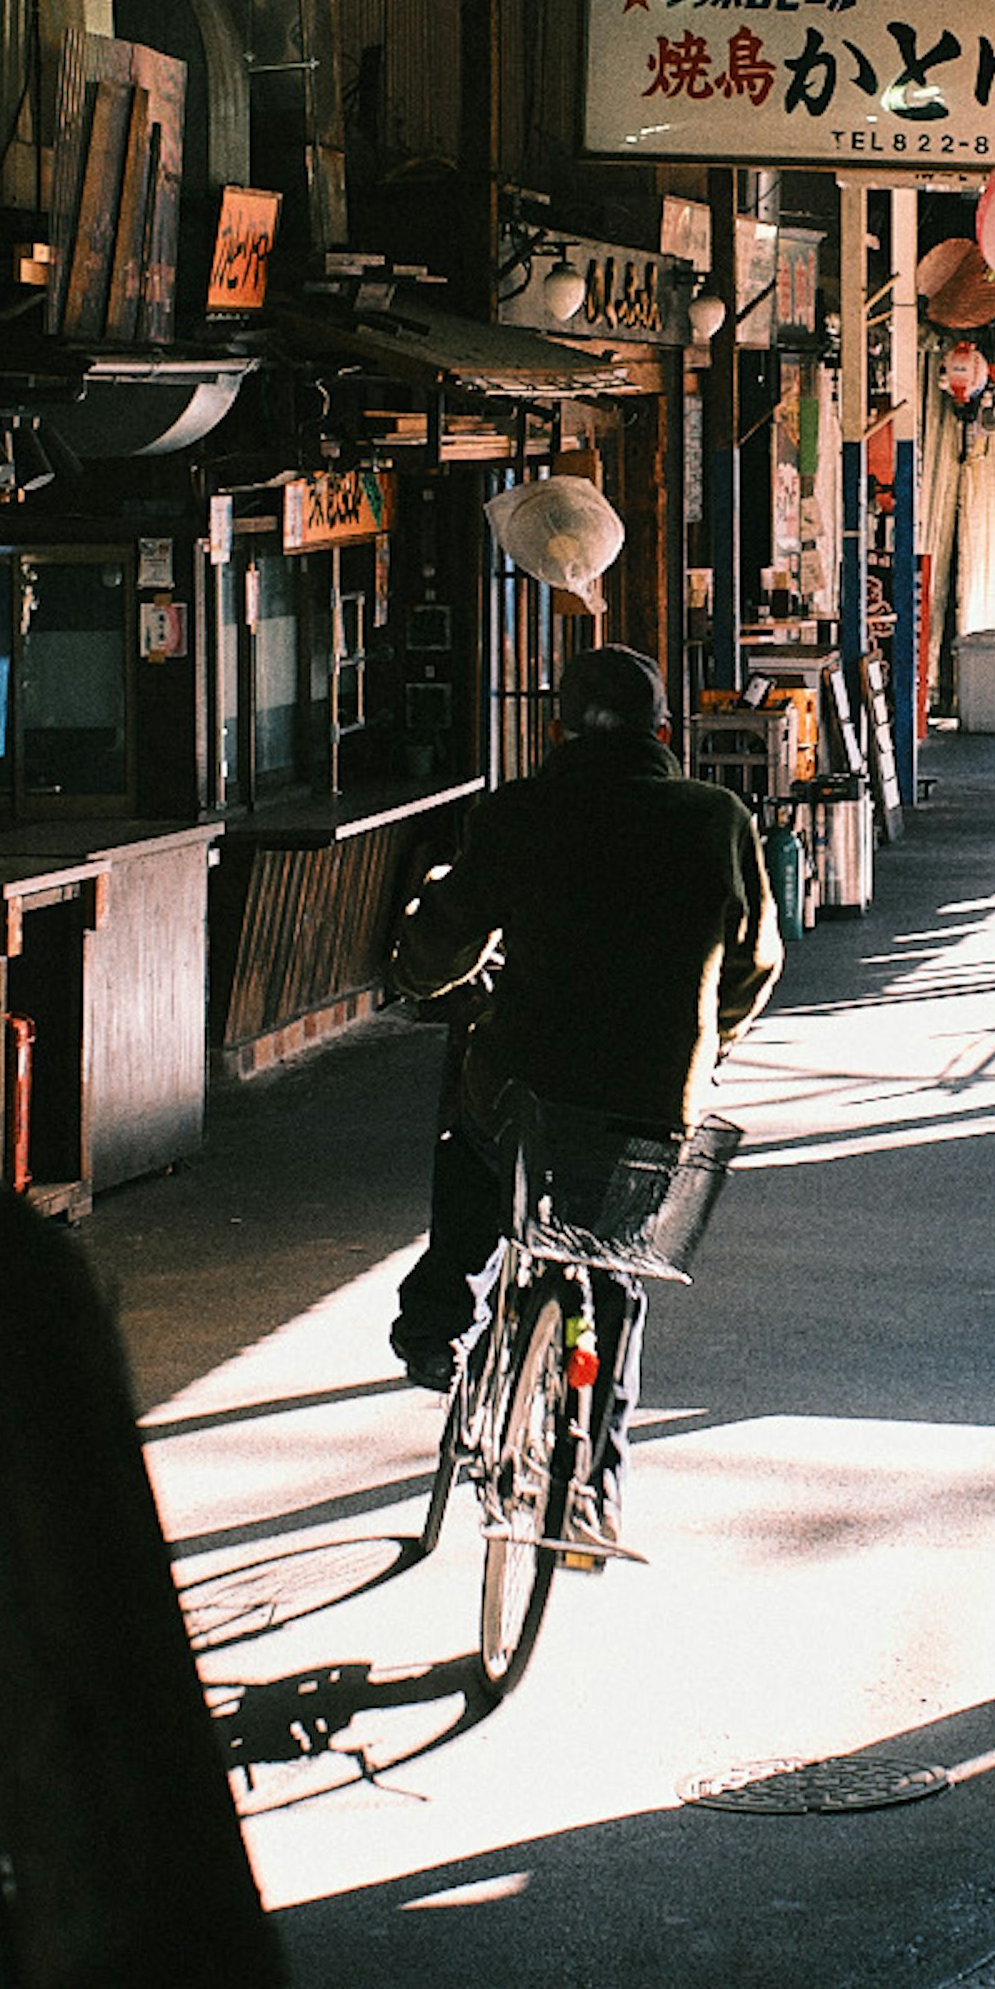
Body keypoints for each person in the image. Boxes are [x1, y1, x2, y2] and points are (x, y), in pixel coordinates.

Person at [384, 645, 780, 1525]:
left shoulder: (517, 814)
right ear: (664, 733)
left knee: (473, 1143)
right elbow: (756, 960)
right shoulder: (716, 820)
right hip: (651, 1103)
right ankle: (594, 1483)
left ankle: (439, 1314)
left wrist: (418, 977)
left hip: (529, 1088)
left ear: (557, 726)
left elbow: (444, 939)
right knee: (611, 1274)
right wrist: (711, 1045)